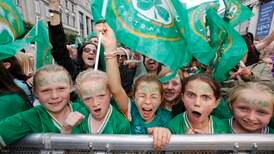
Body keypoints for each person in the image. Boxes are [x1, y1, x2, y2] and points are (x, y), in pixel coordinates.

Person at [96, 23, 171, 149]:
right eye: (142, 95)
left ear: (162, 98)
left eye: (153, 96)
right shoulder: (131, 111)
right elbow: (115, 88)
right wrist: (110, 49)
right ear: (134, 96)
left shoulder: (167, 117)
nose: (147, 102)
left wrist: (165, 133)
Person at [0, 64, 84, 146]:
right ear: (35, 92)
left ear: (71, 88)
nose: (54, 96)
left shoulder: (85, 111)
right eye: (46, 91)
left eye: (61, 88)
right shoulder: (31, 117)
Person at [48, 0, 98, 80]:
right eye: (87, 50)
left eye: (95, 51)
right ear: (81, 55)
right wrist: (54, 9)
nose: (91, 52)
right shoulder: (74, 71)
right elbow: (59, 47)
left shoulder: (103, 73)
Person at [75, 69, 131, 134]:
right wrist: (67, 129)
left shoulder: (121, 125)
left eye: (101, 96)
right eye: (88, 99)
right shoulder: (79, 116)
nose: (95, 103)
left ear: (110, 93)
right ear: (81, 99)